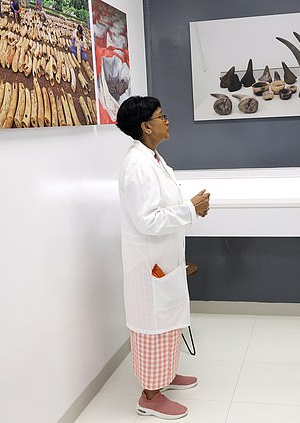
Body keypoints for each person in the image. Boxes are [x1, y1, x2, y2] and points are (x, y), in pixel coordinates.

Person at [116, 96, 210, 420]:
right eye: (161, 116)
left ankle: (164, 378)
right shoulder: (138, 166)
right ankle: (150, 396)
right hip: (149, 264)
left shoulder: (153, 158)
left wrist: (191, 207)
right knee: (153, 326)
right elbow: (147, 220)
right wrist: (189, 209)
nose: (167, 120)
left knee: (168, 323)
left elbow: (164, 205)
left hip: (163, 259)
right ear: (145, 127)